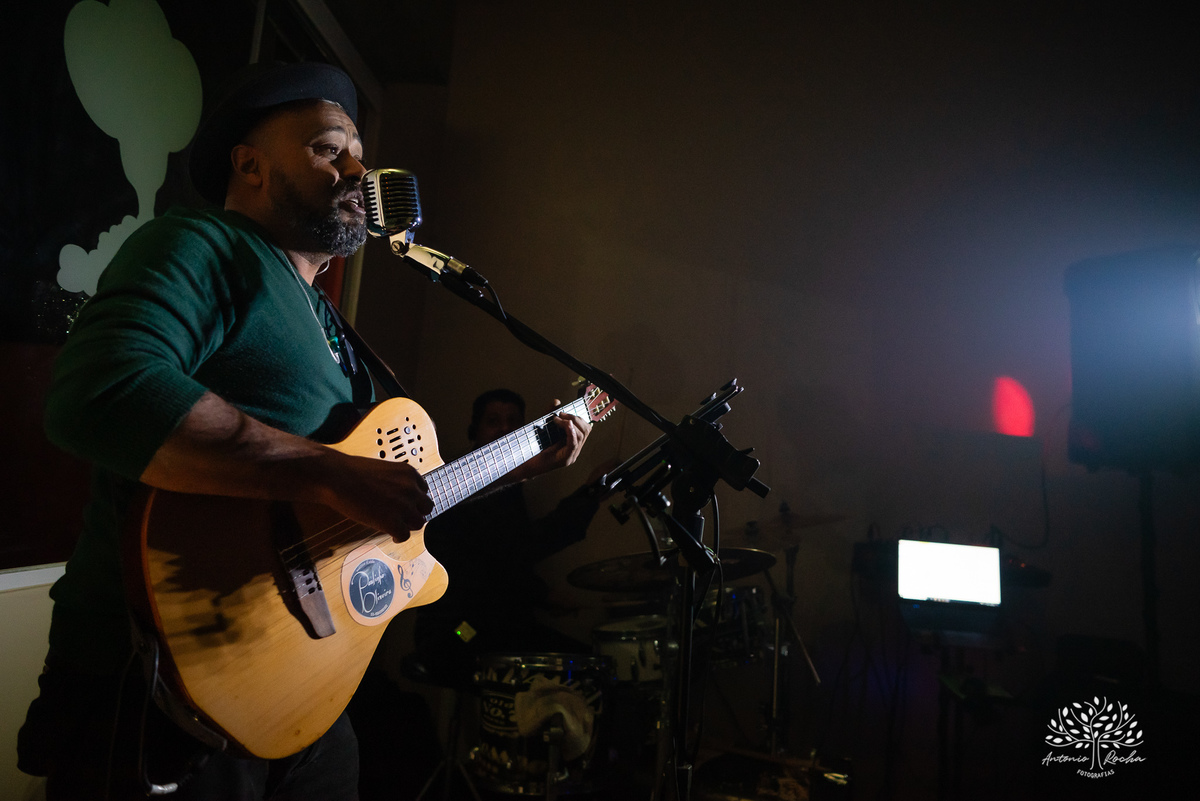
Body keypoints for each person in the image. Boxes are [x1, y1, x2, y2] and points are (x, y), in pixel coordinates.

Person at [17, 61, 591, 800]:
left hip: (308, 692)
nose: (357, 168)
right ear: (250, 165)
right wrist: (325, 472)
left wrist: (517, 463)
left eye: (359, 151)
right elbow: (102, 388)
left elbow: (379, 508)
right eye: (328, 148)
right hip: (167, 685)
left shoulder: (329, 322)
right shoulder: (203, 245)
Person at [410, 389, 608, 690]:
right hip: (459, 631)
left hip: (496, 622)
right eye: (493, 421)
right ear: (474, 431)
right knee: (586, 670)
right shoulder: (457, 481)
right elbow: (511, 553)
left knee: (589, 665)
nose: (504, 429)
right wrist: (590, 494)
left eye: (513, 422)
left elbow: (506, 556)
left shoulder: (512, 487)